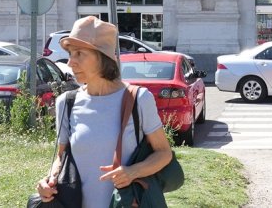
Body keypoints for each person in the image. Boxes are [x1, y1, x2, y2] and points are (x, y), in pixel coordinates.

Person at [35, 16, 174, 208]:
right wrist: (49, 181)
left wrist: (133, 171)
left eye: (79, 54)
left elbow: (164, 154)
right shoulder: (66, 103)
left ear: (103, 57)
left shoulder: (138, 99)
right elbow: (61, 157)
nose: (70, 62)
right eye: (70, 53)